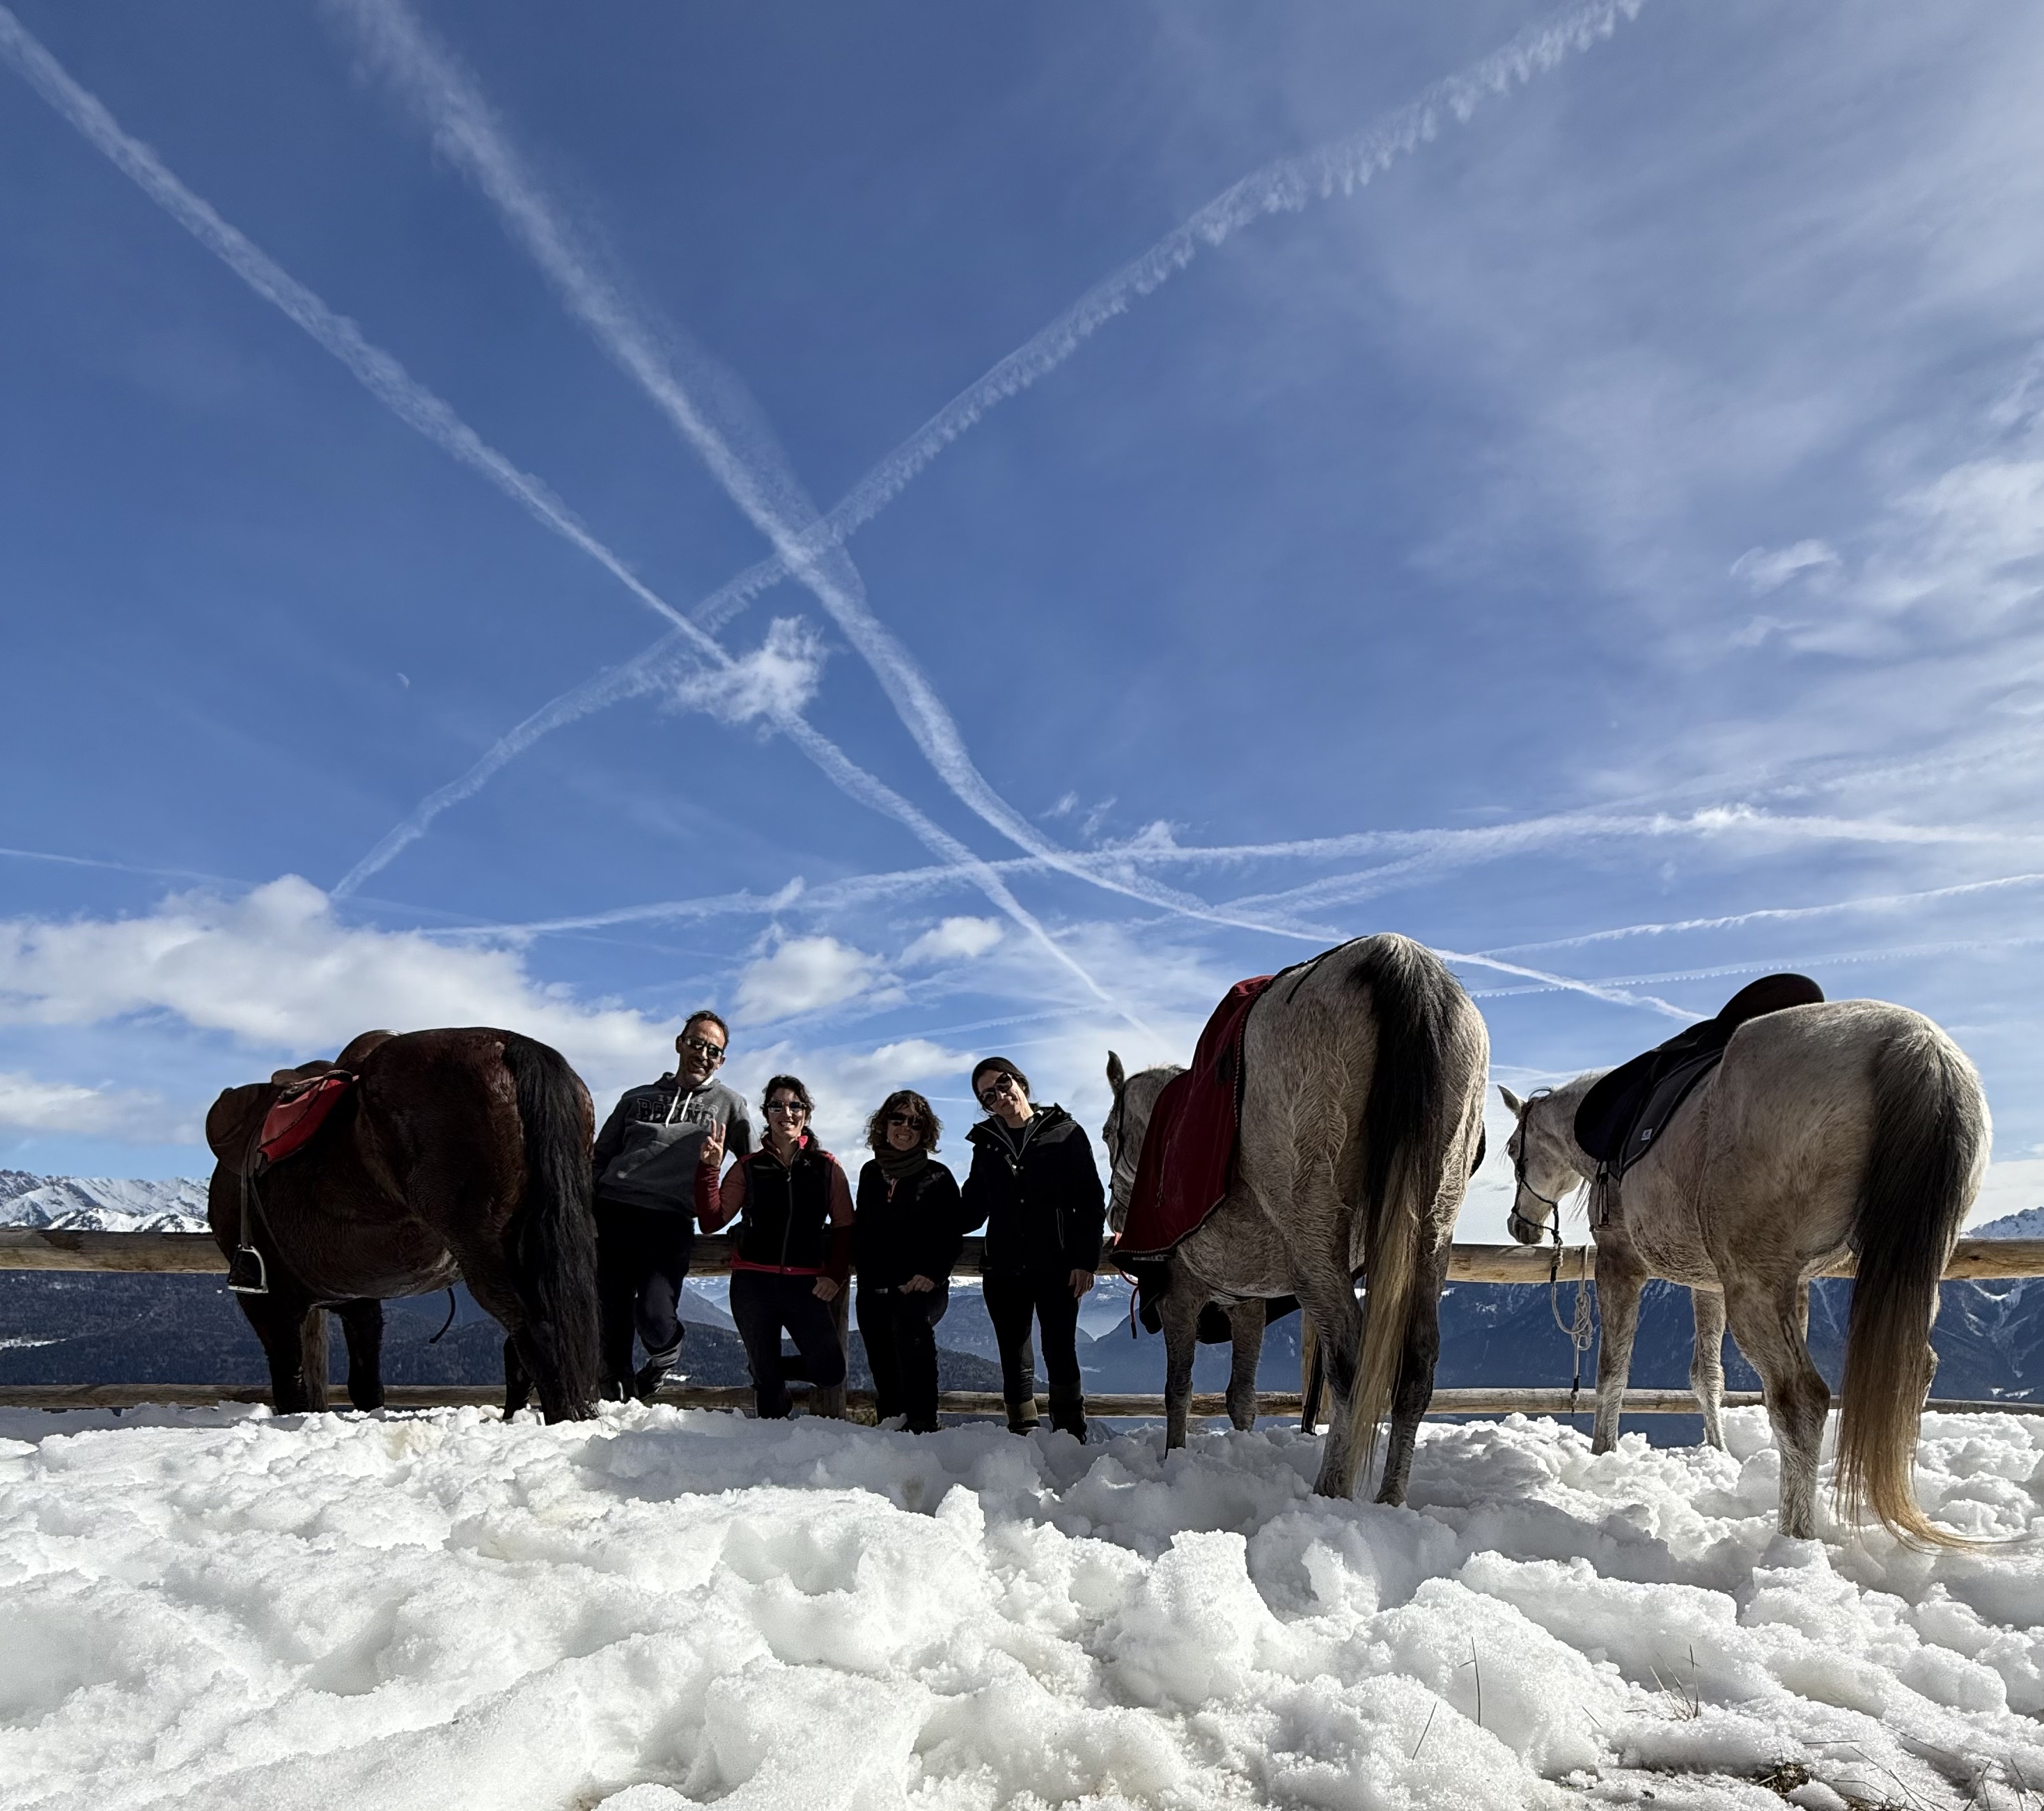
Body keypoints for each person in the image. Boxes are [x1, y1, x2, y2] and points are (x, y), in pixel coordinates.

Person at [591, 1012, 753, 1402]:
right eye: (696, 1043)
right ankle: (616, 1400)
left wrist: (750, 1221)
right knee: (609, 1317)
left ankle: (665, 1355)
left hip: (669, 1219)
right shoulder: (635, 1098)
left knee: (653, 1314)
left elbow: (752, 1169)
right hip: (611, 1211)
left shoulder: (730, 1105)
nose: (703, 1054)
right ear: (680, 1043)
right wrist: (583, 1208)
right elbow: (598, 1158)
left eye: (713, 1050)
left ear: (722, 1061)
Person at [960, 1056, 1105, 1439]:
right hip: (1003, 1269)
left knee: (1060, 1352)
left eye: (1003, 1083)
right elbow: (972, 1208)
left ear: (1020, 1081)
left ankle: (1071, 1435)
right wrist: (925, 1213)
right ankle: (1022, 1435)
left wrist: (1085, 1261)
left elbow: (1090, 1200)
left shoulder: (1065, 1132)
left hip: (1057, 1266)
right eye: (988, 1096)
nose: (999, 1096)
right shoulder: (987, 1144)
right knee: (1014, 1359)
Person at [697, 1074, 853, 1419]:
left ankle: (764, 1367)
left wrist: (835, 1274)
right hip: (753, 1284)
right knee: (769, 1390)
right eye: (777, 1105)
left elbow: (844, 1226)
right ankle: (769, 1456)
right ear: (766, 1114)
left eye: (796, 1105)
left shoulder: (826, 1167)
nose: (787, 1111)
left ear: (806, 1114)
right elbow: (711, 1221)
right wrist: (709, 1169)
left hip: (807, 1285)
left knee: (830, 1371)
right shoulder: (749, 1167)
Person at [853, 1089, 964, 1433]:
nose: (905, 1127)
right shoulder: (871, 1173)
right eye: (897, 1118)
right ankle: (890, 1430)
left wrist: (931, 1274)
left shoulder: (939, 1176)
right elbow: (863, 1228)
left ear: (925, 1130)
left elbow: (952, 1234)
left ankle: (922, 1425)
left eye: (915, 1122)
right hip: (875, 1285)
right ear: (884, 1124)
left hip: (922, 1286)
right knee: (881, 1360)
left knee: (912, 1332)